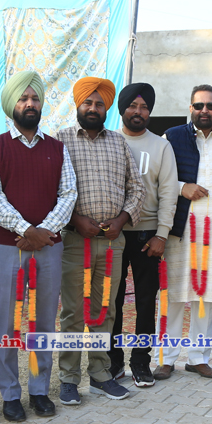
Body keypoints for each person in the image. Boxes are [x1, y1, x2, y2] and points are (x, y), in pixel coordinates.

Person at [0, 71, 76, 421]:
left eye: (35, 98)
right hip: (8, 247)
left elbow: (69, 194)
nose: (30, 104)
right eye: (23, 99)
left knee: (44, 322)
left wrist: (44, 232)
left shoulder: (57, 148)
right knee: (7, 323)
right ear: (12, 105)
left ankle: (39, 391)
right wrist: (26, 229)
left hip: (48, 248)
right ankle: (10, 394)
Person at [57, 77, 145, 404]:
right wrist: (75, 220)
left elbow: (137, 188)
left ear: (106, 108)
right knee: (73, 312)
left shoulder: (118, 142)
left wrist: (121, 221)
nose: (93, 108)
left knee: (104, 310)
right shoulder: (61, 140)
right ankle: (68, 378)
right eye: (88, 103)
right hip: (74, 241)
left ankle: (99, 374)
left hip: (112, 242)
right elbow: (53, 190)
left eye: (99, 104)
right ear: (78, 105)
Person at [160, 85, 212, 380]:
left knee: (205, 297)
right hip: (180, 230)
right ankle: (166, 358)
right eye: (199, 105)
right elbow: (160, 178)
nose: (205, 110)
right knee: (173, 296)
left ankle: (198, 358)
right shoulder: (172, 136)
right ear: (190, 108)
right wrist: (183, 187)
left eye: (211, 106)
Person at [107, 83, 178, 387]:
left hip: (147, 236)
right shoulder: (108, 141)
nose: (138, 112)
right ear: (122, 109)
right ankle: (112, 362)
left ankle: (140, 361)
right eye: (133, 106)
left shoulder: (161, 146)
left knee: (146, 302)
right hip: (112, 234)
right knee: (112, 301)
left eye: (144, 107)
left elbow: (169, 193)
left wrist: (161, 234)